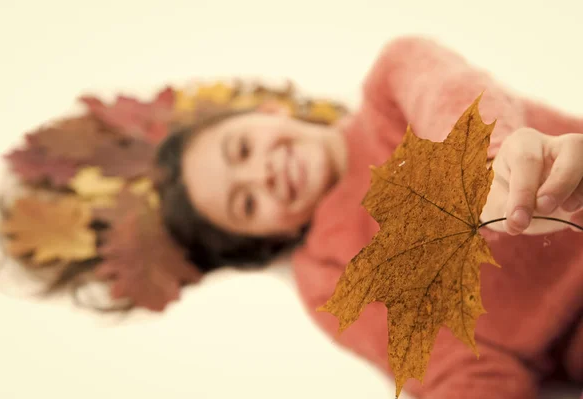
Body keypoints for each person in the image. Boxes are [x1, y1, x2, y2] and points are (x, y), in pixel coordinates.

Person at [154, 36, 583, 398]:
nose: (260, 174)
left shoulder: (390, 82)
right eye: (245, 204)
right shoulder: (325, 278)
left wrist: (485, 166)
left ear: (270, 112)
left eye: (243, 148)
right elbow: (447, 364)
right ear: (267, 235)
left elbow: (448, 94)